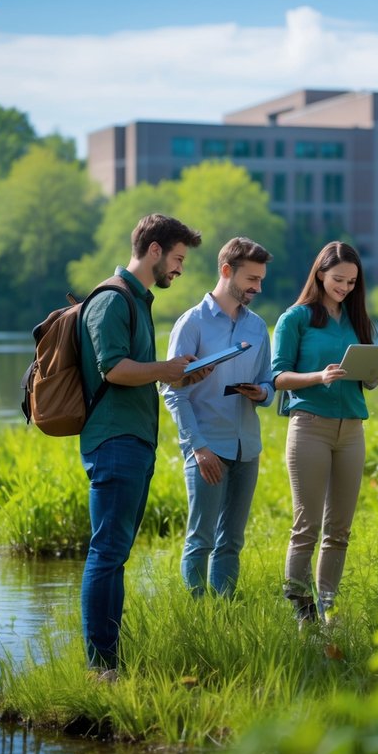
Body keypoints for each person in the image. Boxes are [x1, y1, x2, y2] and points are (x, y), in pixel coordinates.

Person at [78, 213, 203, 678]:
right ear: (154, 250)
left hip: (133, 442)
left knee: (115, 553)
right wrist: (165, 369)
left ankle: (108, 661)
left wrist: (181, 371)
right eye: (177, 258)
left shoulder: (136, 299)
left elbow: (136, 370)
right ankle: (101, 666)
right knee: (107, 552)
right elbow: (113, 369)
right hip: (113, 441)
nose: (179, 269)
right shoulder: (112, 300)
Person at [271, 241, 377, 627]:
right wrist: (319, 376)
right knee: (307, 527)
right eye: (338, 279)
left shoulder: (357, 320)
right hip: (310, 427)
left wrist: (371, 373)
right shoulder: (295, 318)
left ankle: (328, 607)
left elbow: (368, 380)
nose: (345, 287)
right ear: (319, 274)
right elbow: (278, 377)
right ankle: (302, 611)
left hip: (351, 429)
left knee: (340, 529)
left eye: (351, 282)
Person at [162, 237, 275, 598]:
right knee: (201, 538)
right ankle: (197, 617)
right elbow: (172, 390)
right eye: (251, 279)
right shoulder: (191, 323)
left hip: (247, 448)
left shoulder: (257, 327)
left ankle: (223, 615)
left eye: (260, 280)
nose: (257, 287)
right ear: (227, 271)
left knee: (232, 541)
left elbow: (268, 381)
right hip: (207, 447)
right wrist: (198, 447)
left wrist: (263, 393)